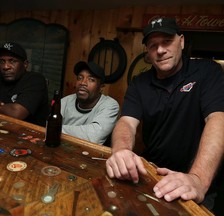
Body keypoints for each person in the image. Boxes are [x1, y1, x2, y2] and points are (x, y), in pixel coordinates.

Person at [105, 17, 224, 210]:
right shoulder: (139, 83)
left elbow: (218, 119)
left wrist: (198, 179)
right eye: (153, 45)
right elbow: (126, 122)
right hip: (153, 175)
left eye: (167, 42)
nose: (160, 50)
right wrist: (121, 151)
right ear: (148, 52)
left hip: (195, 181)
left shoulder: (207, 71)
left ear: (182, 41)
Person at [61, 61, 119, 145]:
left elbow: (94, 136)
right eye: (80, 78)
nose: (83, 83)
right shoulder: (65, 101)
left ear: (101, 87)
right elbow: (49, 126)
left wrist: (57, 129)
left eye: (91, 79)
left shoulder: (110, 105)